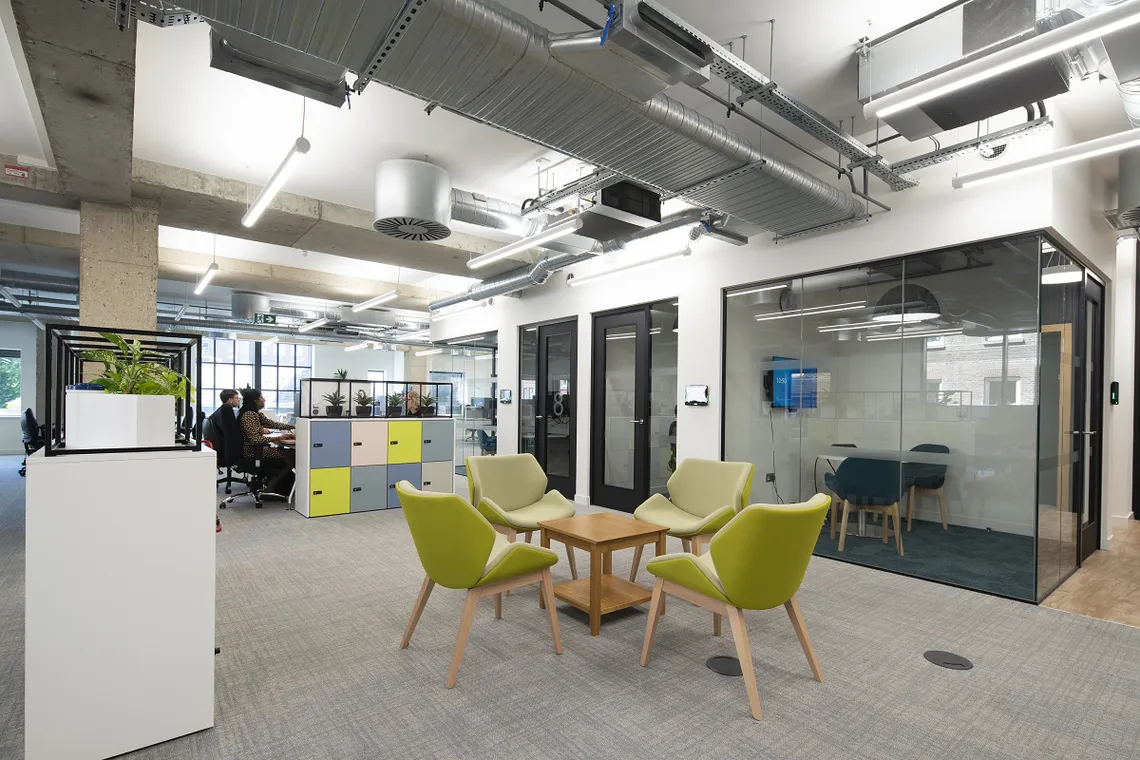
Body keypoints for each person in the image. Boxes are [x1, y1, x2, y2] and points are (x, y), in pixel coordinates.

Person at [238, 388, 295, 497]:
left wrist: (294, 426)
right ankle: (271, 489)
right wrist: (279, 438)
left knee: (286, 454)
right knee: (292, 456)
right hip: (253, 452)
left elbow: (272, 424)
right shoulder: (249, 415)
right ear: (255, 400)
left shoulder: (254, 413)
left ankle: (274, 486)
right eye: (262, 397)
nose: (264, 400)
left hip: (256, 450)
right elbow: (255, 439)